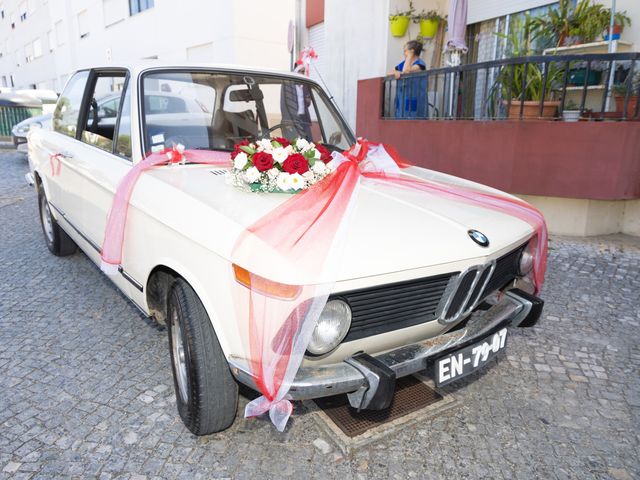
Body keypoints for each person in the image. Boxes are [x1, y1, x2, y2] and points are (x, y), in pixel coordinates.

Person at [390, 40, 427, 118]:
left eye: (405, 51)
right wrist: (395, 72)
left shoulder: (420, 64)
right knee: (400, 116)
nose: (404, 54)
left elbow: (406, 70)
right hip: (402, 97)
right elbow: (389, 72)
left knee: (412, 117)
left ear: (412, 51)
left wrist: (409, 56)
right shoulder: (403, 63)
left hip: (414, 97)